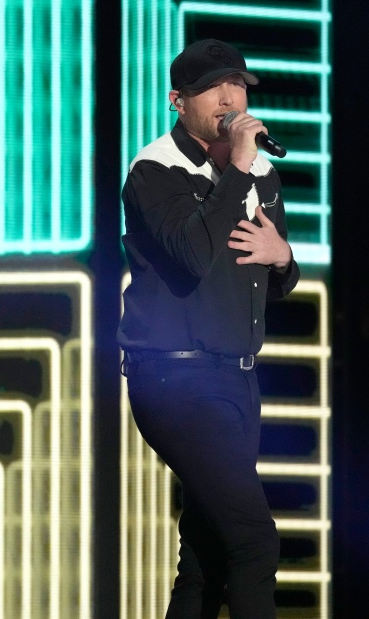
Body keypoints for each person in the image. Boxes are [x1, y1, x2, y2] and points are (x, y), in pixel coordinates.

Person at [118, 38, 300, 618]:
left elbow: (268, 280)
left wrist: (283, 258)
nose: (230, 98)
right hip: (176, 382)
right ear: (179, 101)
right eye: (213, 89)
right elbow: (195, 255)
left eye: (238, 86)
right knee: (252, 541)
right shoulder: (156, 170)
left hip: (237, 382)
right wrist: (239, 170)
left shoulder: (262, 173)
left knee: (206, 555)